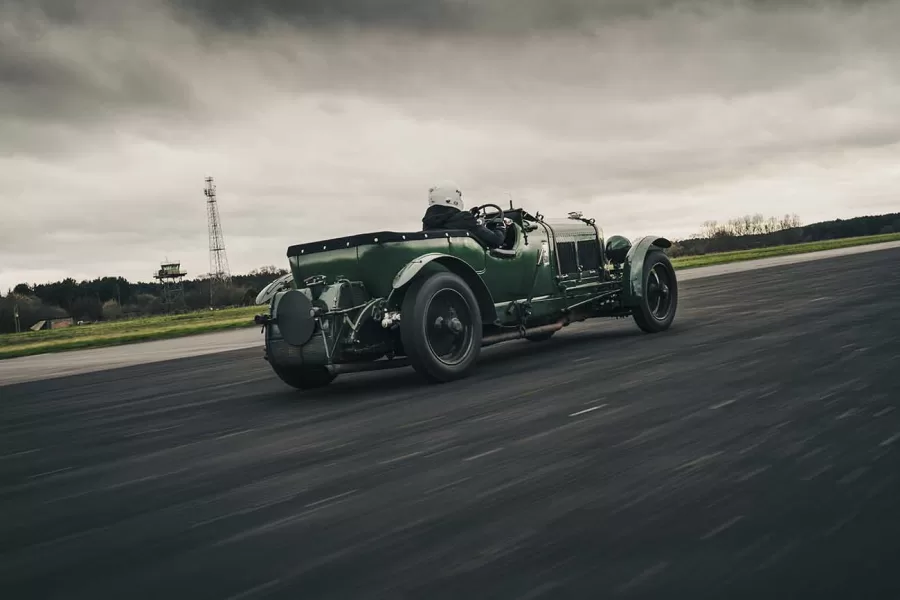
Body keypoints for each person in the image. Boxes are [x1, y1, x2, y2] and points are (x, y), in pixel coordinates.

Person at [421, 182, 510, 249]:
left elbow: (451, 223)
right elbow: (495, 240)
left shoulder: (428, 222)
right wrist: (500, 227)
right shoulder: (465, 219)